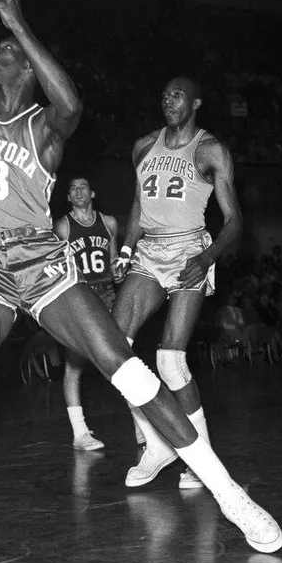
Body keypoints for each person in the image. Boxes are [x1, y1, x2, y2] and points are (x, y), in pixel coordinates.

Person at [0, 0, 282, 563]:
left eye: (7, 49)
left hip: (40, 257)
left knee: (134, 371)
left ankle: (229, 495)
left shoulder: (46, 128)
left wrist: (20, 23)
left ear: (29, 67)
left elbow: (72, 102)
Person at [111, 76, 242, 490]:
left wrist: (205, 258)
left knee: (170, 361)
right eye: (165, 94)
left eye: (178, 95)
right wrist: (128, 250)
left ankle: (199, 458)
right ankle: (156, 444)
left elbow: (235, 220)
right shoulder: (143, 145)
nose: (168, 100)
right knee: (114, 350)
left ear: (196, 103)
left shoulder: (209, 149)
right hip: (149, 250)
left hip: (189, 251)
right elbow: (137, 203)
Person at [52, 176, 120, 451]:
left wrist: (120, 268)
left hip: (107, 293)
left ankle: (143, 426)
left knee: (124, 359)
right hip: (80, 295)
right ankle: (80, 432)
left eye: (82, 187)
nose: (78, 191)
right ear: (68, 198)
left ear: (92, 192)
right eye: (72, 189)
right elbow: (58, 266)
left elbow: (114, 263)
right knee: (74, 364)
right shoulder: (64, 226)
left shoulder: (110, 223)